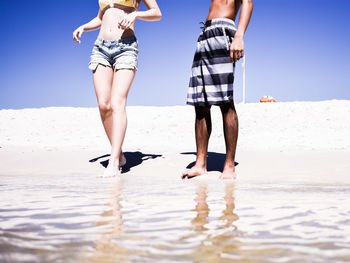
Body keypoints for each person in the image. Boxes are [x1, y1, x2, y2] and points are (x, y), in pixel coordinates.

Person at [73, 0, 161, 177]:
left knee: (117, 103)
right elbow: (101, 18)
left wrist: (136, 14)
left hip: (126, 47)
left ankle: (113, 162)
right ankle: (119, 154)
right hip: (100, 47)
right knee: (104, 105)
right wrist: (84, 26)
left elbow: (157, 13)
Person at [183, 0, 253, 180]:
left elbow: (248, 2)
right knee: (200, 104)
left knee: (225, 102)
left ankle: (229, 165)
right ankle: (200, 164)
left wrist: (239, 35)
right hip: (206, 33)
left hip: (224, 31)